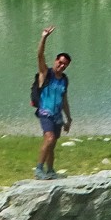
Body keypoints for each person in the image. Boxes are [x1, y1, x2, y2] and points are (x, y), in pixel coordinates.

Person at [33, 25, 72, 179]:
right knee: (49, 138)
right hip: (45, 112)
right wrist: (44, 37)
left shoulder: (64, 80)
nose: (61, 66)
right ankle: (38, 170)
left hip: (57, 116)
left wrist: (69, 118)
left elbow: (64, 99)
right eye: (60, 62)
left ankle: (50, 170)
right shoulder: (45, 73)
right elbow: (39, 55)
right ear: (56, 60)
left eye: (65, 64)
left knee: (52, 144)